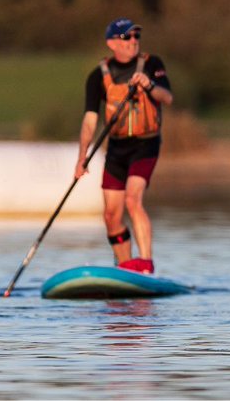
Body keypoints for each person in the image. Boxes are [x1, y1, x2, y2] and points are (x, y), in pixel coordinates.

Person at [74, 18, 173, 274]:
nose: (133, 42)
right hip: (117, 149)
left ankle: (146, 264)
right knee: (110, 216)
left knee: (132, 199)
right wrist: (82, 157)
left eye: (136, 36)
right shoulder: (98, 76)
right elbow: (89, 120)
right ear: (111, 43)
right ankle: (126, 267)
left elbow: (167, 97)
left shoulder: (152, 64)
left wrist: (149, 85)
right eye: (126, 37)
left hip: (145, 145)